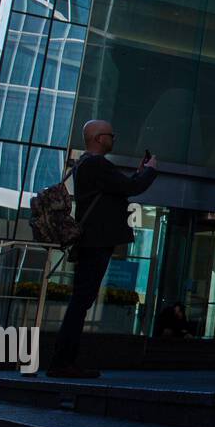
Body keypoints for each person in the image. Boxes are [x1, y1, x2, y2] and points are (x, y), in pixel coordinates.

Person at [47, 120, 157, 378]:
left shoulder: (85, 164)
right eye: (111, 134)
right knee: (81, 301)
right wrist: (150, 171)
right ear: (98, 138)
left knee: (81, 300)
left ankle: (62, 361)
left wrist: (138, 173)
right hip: (96, 240)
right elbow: (132, 188)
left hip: (92, 240)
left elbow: (120, 188)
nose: (114, 138)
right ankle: (62, 362)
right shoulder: (97, 164)